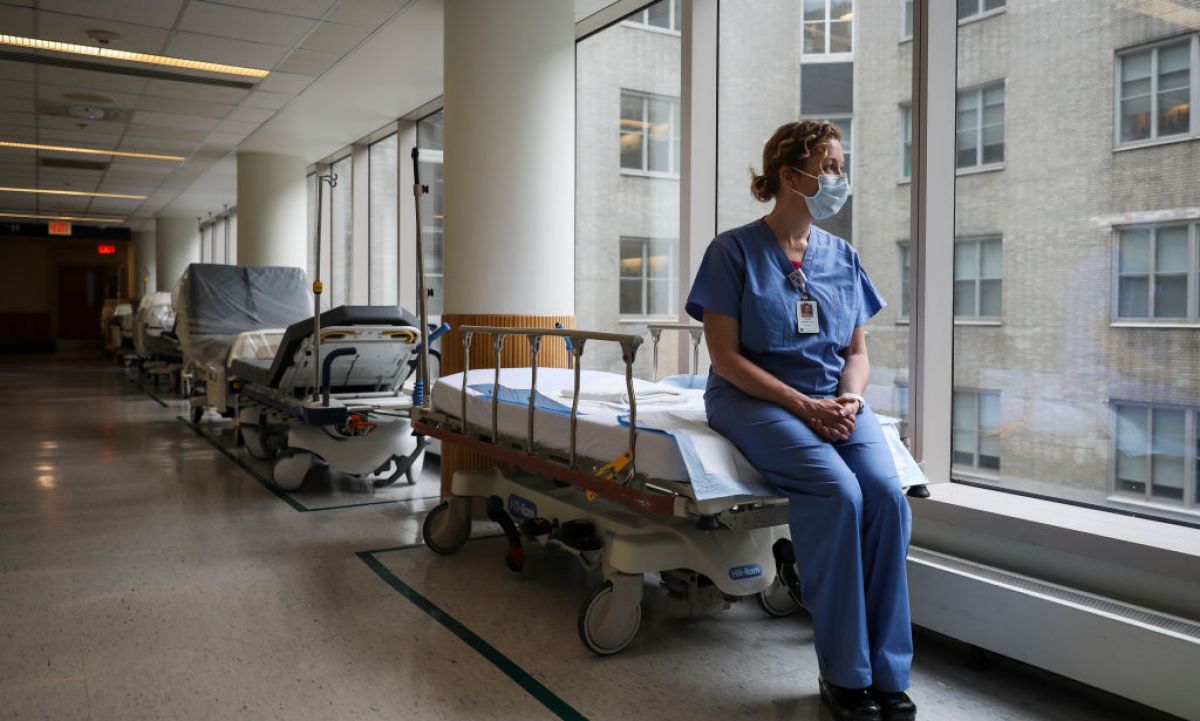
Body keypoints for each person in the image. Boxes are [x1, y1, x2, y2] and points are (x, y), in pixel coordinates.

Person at [685, 120, 915, 721]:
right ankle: (845, 674)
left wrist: (850, 400)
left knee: (886, 497)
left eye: (840, 165)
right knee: (838, 493)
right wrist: (804, 406)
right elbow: (725, 358)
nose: (840, 177)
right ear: (791, 176)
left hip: (835, 402)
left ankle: (889, 673)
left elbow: (857, 353)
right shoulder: (732, 252)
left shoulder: (843, 257)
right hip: (752, 399)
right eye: (830, 166)